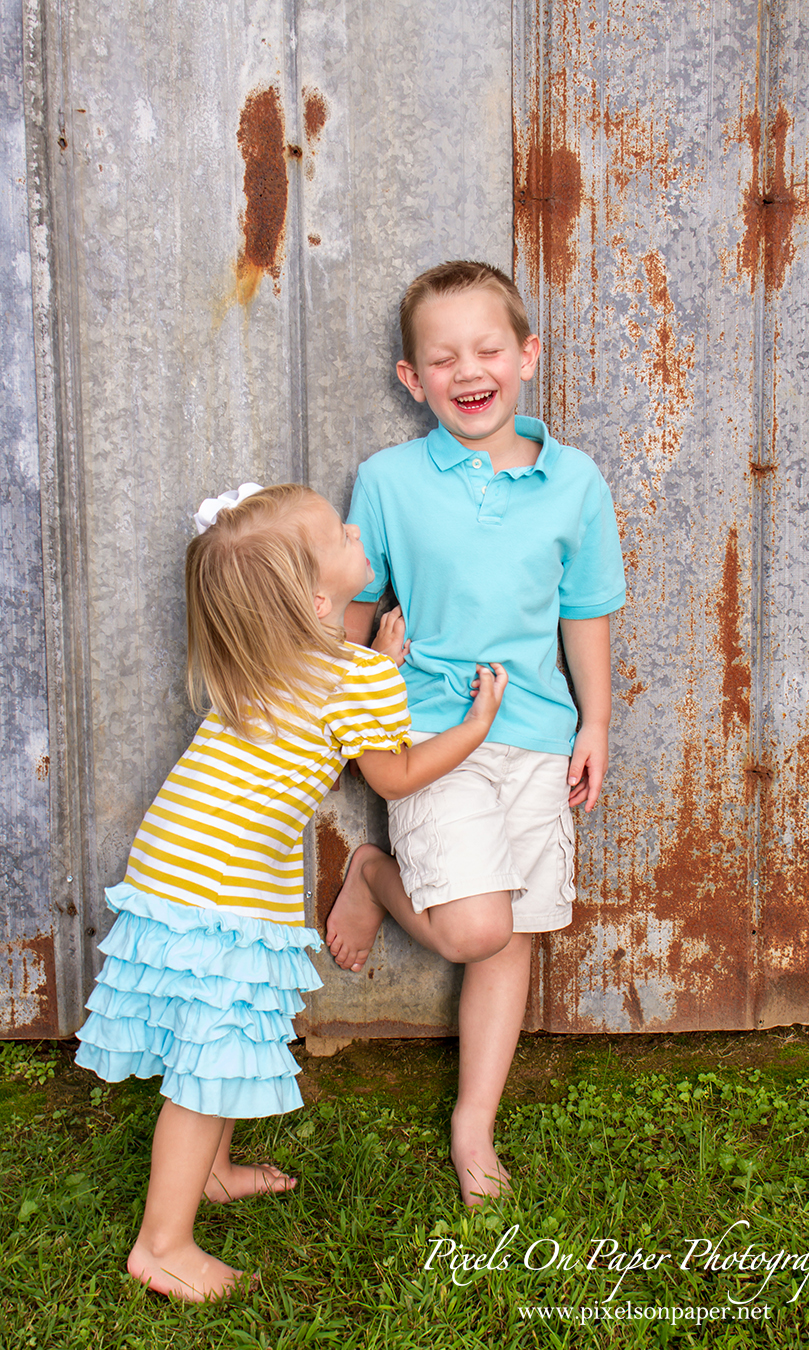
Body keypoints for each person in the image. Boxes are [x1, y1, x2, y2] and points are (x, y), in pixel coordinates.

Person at [75, 481, 507, 1301]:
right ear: (316, 597)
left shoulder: (264, 659)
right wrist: (473, 728)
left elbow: (328, 702)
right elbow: (398, 773)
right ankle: (161, 1246)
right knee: (207, 1066)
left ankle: (212, 1174)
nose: (355, 529)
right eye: (342, 534)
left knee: (225, 1032)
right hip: (224, 884)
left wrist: (374, 667)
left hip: (181, 862)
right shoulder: (357, 680)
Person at [327, 260, 626, 1207]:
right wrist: (365, 663)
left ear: (526, 356)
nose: (469, 369)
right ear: (413, 379)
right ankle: (373, 873)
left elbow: (585, 611)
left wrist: (596, 723)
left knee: (514, 937)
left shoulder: (574, 482)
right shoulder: (389, 480)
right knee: (474, 926)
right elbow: (353, 602)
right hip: (427, 734)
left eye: (488, 348)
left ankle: (474, 1121)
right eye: (442, 357)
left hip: (538, 734)